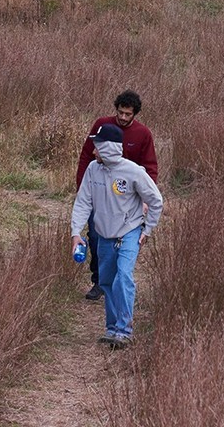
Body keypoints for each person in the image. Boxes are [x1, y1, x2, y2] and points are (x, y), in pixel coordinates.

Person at [71, 124, 163, 349]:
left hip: (129, 233)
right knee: (107, 281)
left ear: (109, 148)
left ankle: (125, 330)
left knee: (123, 277)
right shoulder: (93, 169)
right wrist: (76, 233)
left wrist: (147, 230)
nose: (93, 152)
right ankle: (112, 329)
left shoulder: (133, 172)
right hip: (104, 235)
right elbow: (83, 202)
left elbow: (156, 201)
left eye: (97, 147)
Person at [76, 90, 159, 300]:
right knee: (95, 236)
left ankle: (122, 281)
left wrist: (147, 200)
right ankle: (99, 281)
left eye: (127, 114)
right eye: (120, 112)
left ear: (135, 114)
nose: (123, 117)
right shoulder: (102, 127)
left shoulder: (143, 134)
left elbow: (149, 167)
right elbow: (87, 155)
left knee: (124, 240)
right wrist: (83, 189)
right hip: (100, 191)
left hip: (128, 196)